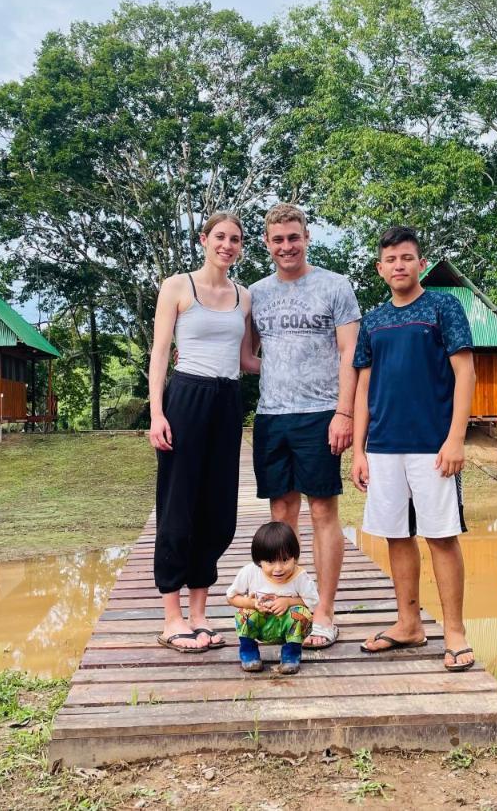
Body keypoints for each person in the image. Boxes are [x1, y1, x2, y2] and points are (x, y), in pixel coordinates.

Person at [350, 225, 477, 672]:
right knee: (396, 536)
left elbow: (466, 374)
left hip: (432, 446)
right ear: (380, 268)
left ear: (420, 263)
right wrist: (359, 450)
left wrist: (456, 438)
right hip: (383, 447)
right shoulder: (374, 320)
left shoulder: (444, 306)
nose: (399, 266)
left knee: (441, 535)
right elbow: (364, 386)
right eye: (391, 260)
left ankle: (455, 632)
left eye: (407, 258)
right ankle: (409, 624)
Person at [147, 212, 261, 653]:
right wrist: (157, 413)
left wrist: (307, 362)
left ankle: (199, 613)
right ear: (203, 240)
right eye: (219, 237)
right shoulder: (177, 287)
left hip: (227, 401)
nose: (227, 245)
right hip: (186, 397)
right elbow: (160, 353)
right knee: (178, 505)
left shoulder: (244, 297)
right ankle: (171, 617)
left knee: (217, 509)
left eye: (235, 239)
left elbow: (248, 360)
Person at [249, 203, 360, 650]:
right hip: (272, 415)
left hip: (321, 413)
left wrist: (344, 412)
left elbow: (351, 352)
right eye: (278, 239)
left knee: (323, 512)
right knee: (282, 516)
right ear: (267, 243)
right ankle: (289, 608)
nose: (286, 246)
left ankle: (324, 612)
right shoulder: (255, 293)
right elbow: (245, 354)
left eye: (293, 237)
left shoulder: (334, 286)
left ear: (306, 237)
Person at [226, 521, 321, 675]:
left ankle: (291, 655)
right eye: (270, 562)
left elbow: (313, 602)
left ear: (294, 557)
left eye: (285, 560)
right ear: (259, 561)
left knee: (301, 613)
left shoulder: (300, 577)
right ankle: (249, 652)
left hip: (287, 626)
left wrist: (289, 601)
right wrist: (251, 603)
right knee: (245, 613)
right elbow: (231, 597)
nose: (278, 568)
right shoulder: (250, 572)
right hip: (261, 623)